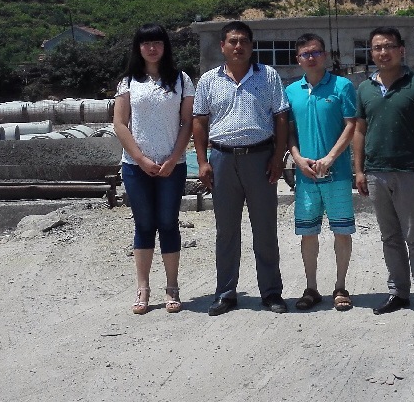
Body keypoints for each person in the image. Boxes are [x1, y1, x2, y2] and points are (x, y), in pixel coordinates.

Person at [192, 21, 290, 316]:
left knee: (265, 230)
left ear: (251, 45)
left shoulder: (268, 76)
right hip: (222, 160)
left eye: (244, 41)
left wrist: (277, 158)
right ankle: (226, 293)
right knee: (226, 231)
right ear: (222, 46)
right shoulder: (209, 80)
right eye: (232, 41)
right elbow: (199, 121)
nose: (238, 46)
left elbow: (281, 118)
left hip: (260, 159)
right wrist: (202, 161)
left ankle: (271, 292)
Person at [353, 26, 414, 322]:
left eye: (389, 46)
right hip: (376, 173)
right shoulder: (364, 89)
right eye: (377, 47)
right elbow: (359, 131)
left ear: (401, 50)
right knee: (389, 237)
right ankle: (400, 293)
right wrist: (359, 170)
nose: (383, 52)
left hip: (409, 172)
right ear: (372, 52)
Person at [113, 23, 195, 315]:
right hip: (136, 166)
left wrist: (174, 157)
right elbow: (120, 124)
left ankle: (172, 286)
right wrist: (141, 158)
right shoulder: (127, 82)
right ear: (138, 47)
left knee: (169, 223)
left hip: (173, 165)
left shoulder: (182, 80)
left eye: (157, 42)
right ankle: (143, 287)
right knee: (144, 225)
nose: (151, 47)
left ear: (165, 46)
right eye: (145, 42)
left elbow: (187, 123)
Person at [285, 34, 357, 312]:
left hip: (336, 173)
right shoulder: (291, 91)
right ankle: (311, 287)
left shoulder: (342, 86)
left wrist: (329, 158)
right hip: (305, 176)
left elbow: (351, 126)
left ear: (324, 55)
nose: (311, 57)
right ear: (298, 59)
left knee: (341, 230)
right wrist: (297, 158)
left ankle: (340, 286)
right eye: (305, 54)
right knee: (308, 233)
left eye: (315, 52)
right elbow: (289, 131)